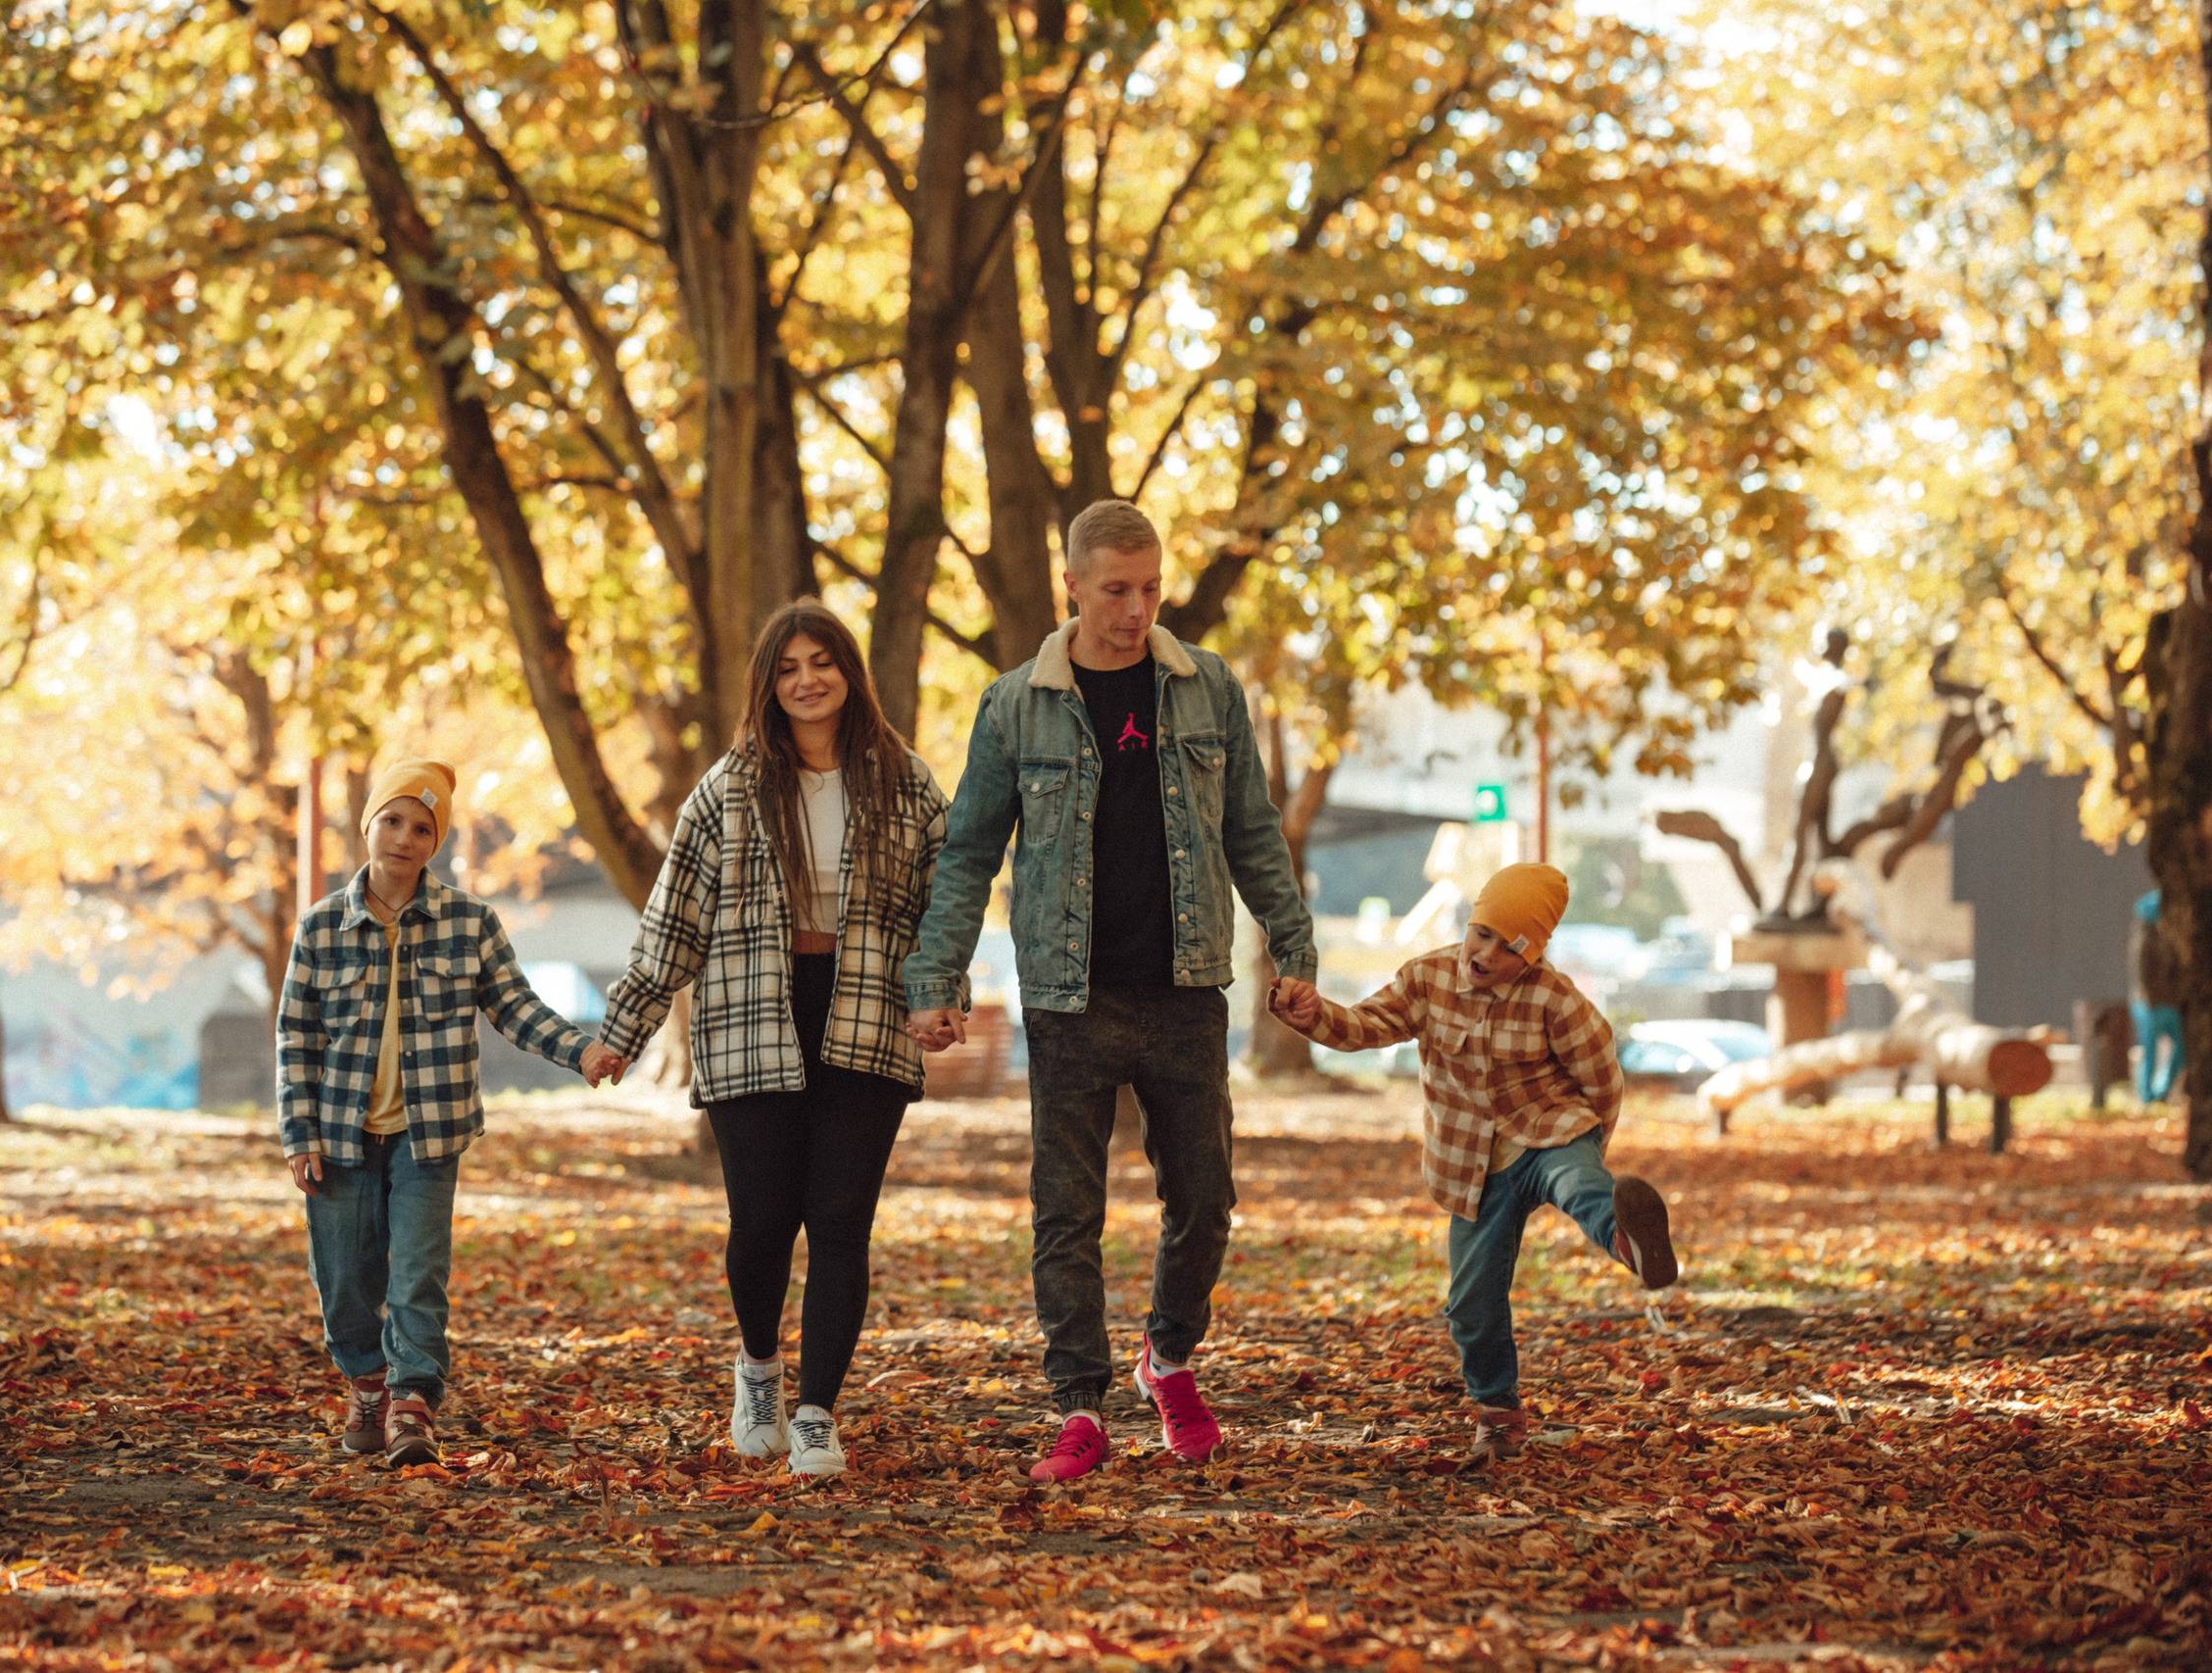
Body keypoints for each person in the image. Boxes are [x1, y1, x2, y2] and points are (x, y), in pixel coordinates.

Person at [904, 500, 1319, 1485]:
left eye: (1150, 589)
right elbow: (965, 855)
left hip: (1184, 990)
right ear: (1074, 588)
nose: (1136, 612)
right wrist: (937, 978)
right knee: (1066, 1211)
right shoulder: (1016, 706)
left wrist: (1291, 951)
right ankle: (1078, 1407)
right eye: (1116, 591)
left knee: (1205, 1198)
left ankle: (1166, 1359)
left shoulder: (1205, 687)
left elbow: (1251, 832)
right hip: (1066, 994)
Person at [598, 601, 949, 1478]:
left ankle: (817, 1412)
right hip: (751, 1010)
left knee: (839, 1220)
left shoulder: (905, 782)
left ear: (848, 671)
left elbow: (948, 905)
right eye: (788, 666)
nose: (806, 680)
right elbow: (674, 917)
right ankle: (758, 1365)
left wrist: (940, 992)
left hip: (866, 1009)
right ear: (769, 683)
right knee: (761, 1221)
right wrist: (624, 1027)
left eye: (821, 661)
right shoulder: (728, 788)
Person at [1270, 862, 1677, 1466]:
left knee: (1583, 1185)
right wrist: (1313, 1017)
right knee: (1471, 1302)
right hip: (1473, 1164)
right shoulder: (1428, 978)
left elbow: (1602, 1079)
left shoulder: (1556, 1000)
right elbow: (1366, 1025)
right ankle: (1499, 1417)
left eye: (1504, 946)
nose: (1483, 953)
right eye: (1479, 933)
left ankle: (1629, 1242)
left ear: (1532, 954)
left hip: (1549, 1130)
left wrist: (1589, 1145)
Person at [279, 759, 623, 1467]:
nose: (405, 838)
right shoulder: (320, 927)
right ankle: (366, 1382)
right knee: (343, 1276)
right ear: (369, 824)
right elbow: (297, 1036)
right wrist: (299, 1133)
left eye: (423, 828)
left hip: (429, 1133)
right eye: (394, 820)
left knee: (418, 1272)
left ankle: (411, 1401)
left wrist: (581, 1051)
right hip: (339, 1133)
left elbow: (515, 1007)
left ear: (435, 842)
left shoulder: (470, 923)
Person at [2132, 890, 2186, 1106]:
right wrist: (2151, 1002)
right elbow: (2144, 976)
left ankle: (2162, 1091)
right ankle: (2147, 1096)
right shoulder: (2145, 941)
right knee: (2149, 1052)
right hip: (2150, 1006)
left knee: (2182, 1048)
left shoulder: (2174, 940)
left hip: (2171, 1005)